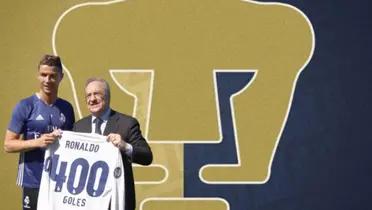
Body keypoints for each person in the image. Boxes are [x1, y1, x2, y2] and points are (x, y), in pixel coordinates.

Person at [4, 54, 75, 210]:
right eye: (43, 75)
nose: (47, 80)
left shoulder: (67, 108)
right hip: (32, 180)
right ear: (38, 75)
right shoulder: (25, 105)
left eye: (52, 76)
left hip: (59, 182)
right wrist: (38, 142)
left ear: (61, 77)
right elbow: (8, 145)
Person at [73, 78, 153, 210]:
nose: (92, 99)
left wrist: (125, 146)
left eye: (97, 94)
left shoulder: (127, 123)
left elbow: (147, 157)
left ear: (108, 96)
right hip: (86, 202)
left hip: (116, 201)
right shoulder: (78, 127)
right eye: (88, 95)